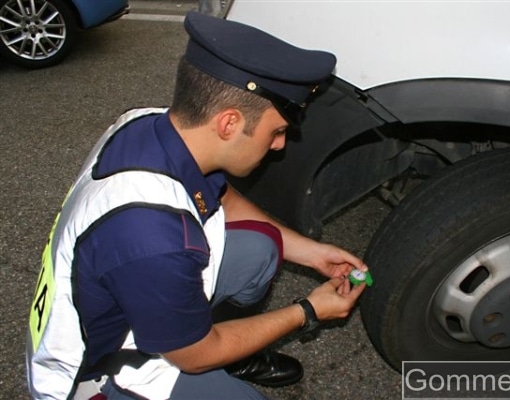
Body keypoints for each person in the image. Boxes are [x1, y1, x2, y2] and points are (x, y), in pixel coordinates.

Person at [26, 11, 367, 400]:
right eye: (277, 131)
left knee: (261, 247)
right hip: (94, 372)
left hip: (126, 299)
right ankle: (220, 346)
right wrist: (307, 311)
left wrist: (312, 253)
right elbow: (194, 355)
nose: (279, 145)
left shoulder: (150, 123)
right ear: (228, 123)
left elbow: (220, 195)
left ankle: (230, 347)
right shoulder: (152, 235)